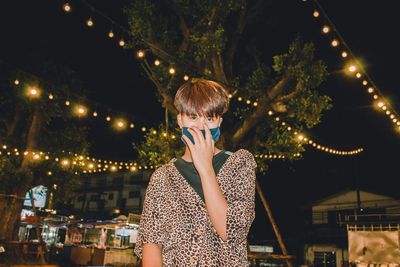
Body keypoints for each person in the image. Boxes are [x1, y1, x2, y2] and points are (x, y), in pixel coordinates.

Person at [134, 78, 257, 266]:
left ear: (219, 121)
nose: (201, 126)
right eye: (193, 117)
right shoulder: (162, 177)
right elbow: (151, 242)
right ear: (179, 119)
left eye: (210, 118)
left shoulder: (239, 163)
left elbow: (231, 231)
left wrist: (206, 168)